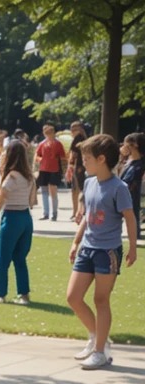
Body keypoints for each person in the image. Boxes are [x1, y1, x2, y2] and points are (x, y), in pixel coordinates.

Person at [67, 134, 138, 370]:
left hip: (107, 251)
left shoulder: (119, 188)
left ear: (101, 159)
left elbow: (130, 218)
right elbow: (87, 217)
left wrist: (132, 247)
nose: (83, 163)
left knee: (100, 299)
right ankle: (97, 338)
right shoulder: (89, 183)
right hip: (87, 248)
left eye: (87, 158)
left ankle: (100, 352)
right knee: (73, 297)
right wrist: (76, 242)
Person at [0, 141, 37, 305]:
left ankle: (1, 294)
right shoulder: (29, 177)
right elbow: (32, 201)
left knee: (2, 259)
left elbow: (0, 199)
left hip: (12, 217)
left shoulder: (11, 177)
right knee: (20, 258)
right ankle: (24, 294)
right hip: (26, 218)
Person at [34, 124, 65, 222]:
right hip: (43, 169)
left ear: (53, 133)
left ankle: (54, 213)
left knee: (53, 191)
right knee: (44, 191)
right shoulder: (42, 144)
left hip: (54, 169)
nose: (49, 135)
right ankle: (45, 213)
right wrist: (40, 159)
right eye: (46, 134)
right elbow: (37, 156)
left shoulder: (58, 144)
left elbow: (63, 156)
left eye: (50, 133)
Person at [118, 132, 143, 240]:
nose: (123, 146)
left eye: (126, 144)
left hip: (132, 194)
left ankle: (135, 234)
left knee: (133, 213)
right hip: (124, 193)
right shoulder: (128, 161)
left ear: (134, 145)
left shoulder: (140, 164)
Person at [66, 121, 87, 221]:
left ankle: (77, 212)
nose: (72, 131)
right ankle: (75, 212)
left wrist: (70, 166)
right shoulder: (83, 138)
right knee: (76, 190)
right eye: (72, 129)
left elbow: (73, 154)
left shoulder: (78, 138)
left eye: (75, 129)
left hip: (78, 166)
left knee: (77, 190)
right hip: (78, 166)